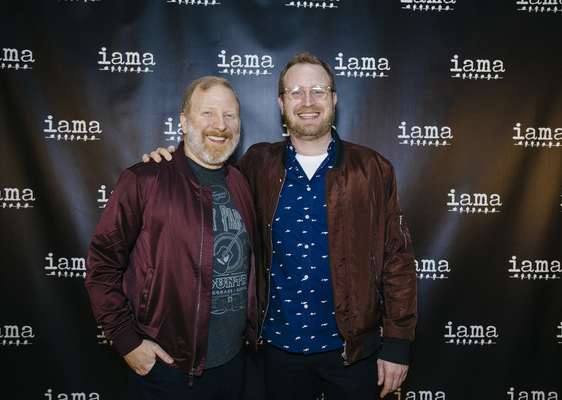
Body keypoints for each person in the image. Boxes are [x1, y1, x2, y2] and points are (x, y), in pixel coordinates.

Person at [144, 52, 417, 400]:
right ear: (281, 102)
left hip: (353, 351)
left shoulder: (373, 170)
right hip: (274, 352)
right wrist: (170, 161)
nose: (307, 102)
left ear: (333, 98)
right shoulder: (257, 164)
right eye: (295, 92)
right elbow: (205, 171)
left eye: (318, 91)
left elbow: (398, 259)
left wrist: (397, 342)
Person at [86, 76, 259, 400]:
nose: (220, 125)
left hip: (233, 364)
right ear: (183, 122)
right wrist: (126, 341)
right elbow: (102, 266)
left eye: (230, 115)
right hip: (168, 370)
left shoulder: (241, 183)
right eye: (207, 113)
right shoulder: (144, 180)